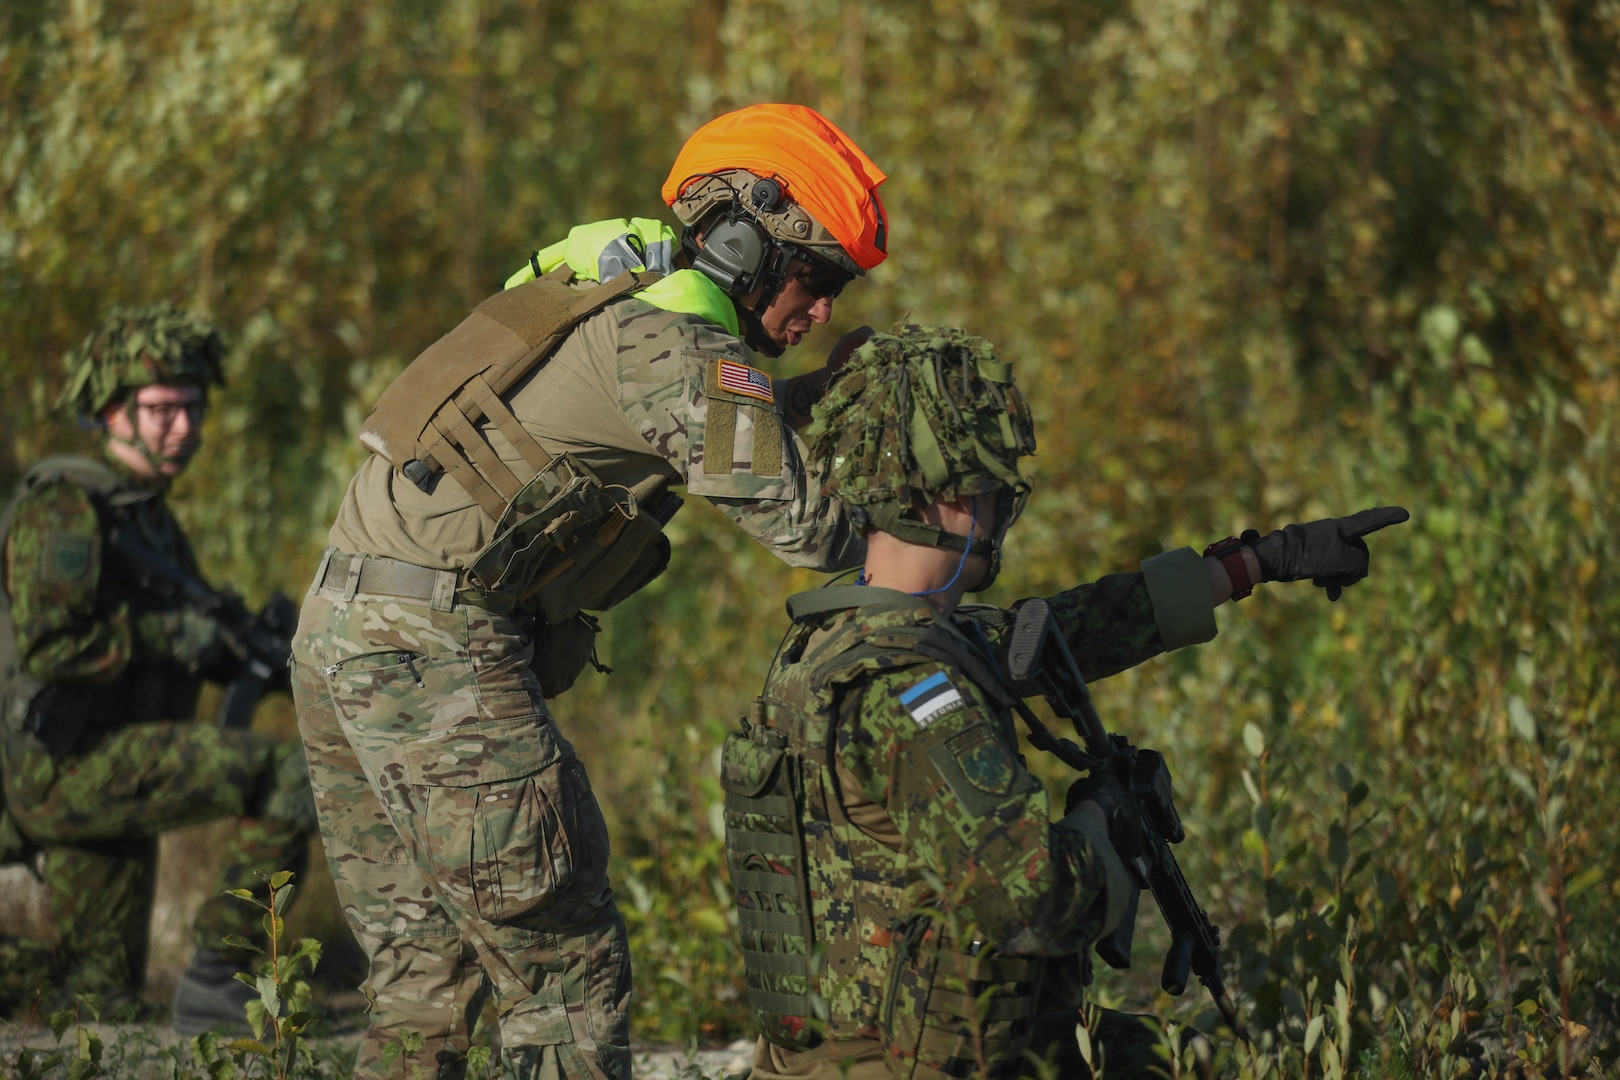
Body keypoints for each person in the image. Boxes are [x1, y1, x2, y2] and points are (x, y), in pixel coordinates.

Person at [290, 102, 889, 1080]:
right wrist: (929, 538)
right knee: (563, 961)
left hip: (346, 626)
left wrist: (817, 398)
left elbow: (713, 425)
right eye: (815, 279)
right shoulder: (679, 348)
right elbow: (805, 527)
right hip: (433, 653)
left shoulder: (606, 294)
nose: (822, 311)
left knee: (423, 976)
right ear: (742, 243)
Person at [721, 326, 1408, 1079]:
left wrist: (1256, 562)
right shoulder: (909, 694)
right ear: (951, 495)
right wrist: (1101, 826)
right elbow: (1033, 903)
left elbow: (1056, 634)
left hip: (846, 1053)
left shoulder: (836, 642)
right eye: (988, 485)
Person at [0, 303, 316, 1031]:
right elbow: (51, 646)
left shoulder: (147, 517)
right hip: (69, 764)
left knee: (93, 1000)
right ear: (112, 412)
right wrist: (169, 638)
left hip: (113, 764)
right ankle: (225, 978)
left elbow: (184, 636)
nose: (183, 426)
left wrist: (237, 651)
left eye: (193, 409)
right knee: (283, 775)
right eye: (161, 409)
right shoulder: (67, 509)